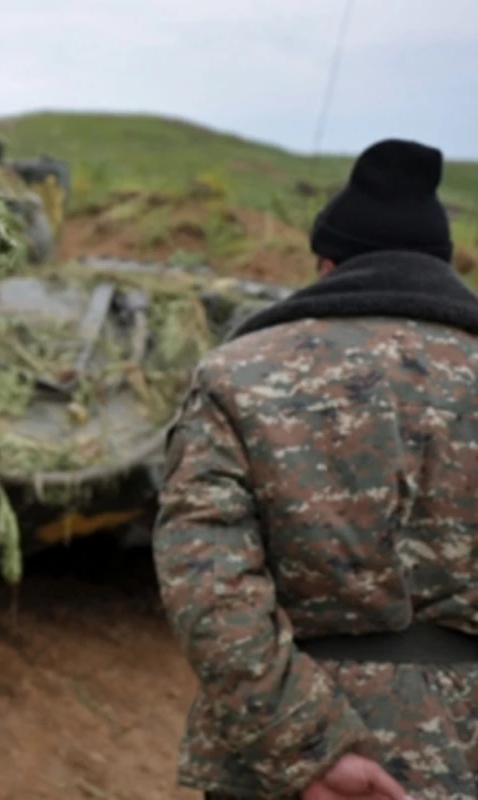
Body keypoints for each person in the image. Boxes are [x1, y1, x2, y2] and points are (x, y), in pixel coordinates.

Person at [152, 137, 478, 800]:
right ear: (440, 263)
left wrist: (307, 749)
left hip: (279, 770)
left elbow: (208, 583)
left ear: (328, 265)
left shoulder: (237, 375)